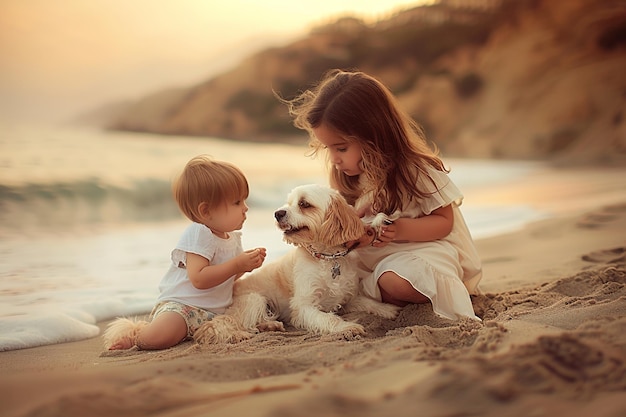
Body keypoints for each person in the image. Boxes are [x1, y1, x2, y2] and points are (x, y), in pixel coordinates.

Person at [280, 69, 482, 321]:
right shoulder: (347, 174)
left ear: (374, 136)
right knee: (342, 280)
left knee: (396, 281)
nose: (334, 159)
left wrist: (398, 229)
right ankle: (394, 291)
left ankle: (429, 288)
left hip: (425, 248)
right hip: (372, 257)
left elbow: (444, 223)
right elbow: (352, 230)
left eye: (341, 148)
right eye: (328, 148)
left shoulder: (417, 170)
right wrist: (358, 233)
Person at [104, 155, 267, 350]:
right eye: (237, 202)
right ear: (206, 211)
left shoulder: (233, 237)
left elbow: (226, 277)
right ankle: (137, 335)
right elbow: (199, 278)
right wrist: (237, 264)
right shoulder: (199, 233)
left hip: (213, 314)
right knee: (161, 337)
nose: (245, 208)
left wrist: (245, 266)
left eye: (244, 201)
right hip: (182, 307)